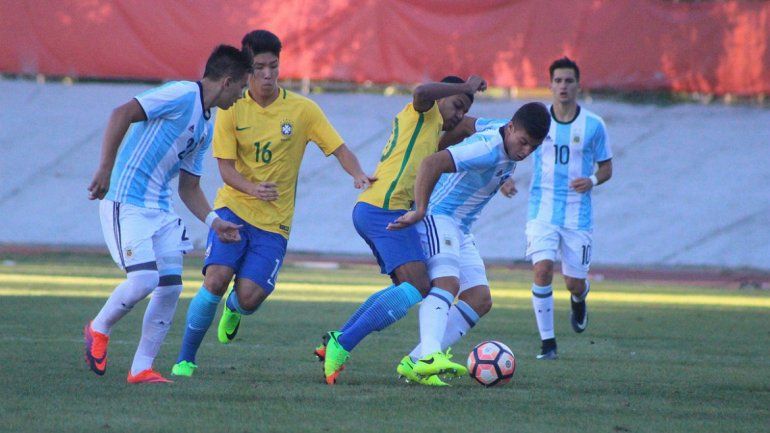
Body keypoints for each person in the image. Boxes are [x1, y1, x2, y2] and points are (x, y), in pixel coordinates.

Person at [170, 30, 374, 377]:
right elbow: (225, 169)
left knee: (249, 298)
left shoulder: (302, 110)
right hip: (233, 208)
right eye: (260, 67)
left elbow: (339, 149)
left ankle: (234, 309)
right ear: (246, 70)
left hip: (274, 222)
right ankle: (185, 359)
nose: (267, 74)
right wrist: (252, 188)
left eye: (273, 66)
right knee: (216, 279)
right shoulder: (232, 109)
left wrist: (358, 174)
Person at [83, 45, 252, 384]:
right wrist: (105, 169)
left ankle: (141, 368)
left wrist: (214, 222)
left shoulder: (205, 128)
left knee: (171, 287)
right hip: (125, 201)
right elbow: (121, 113)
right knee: (144, 280)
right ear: (228, 81)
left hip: (160, 210)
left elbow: (189, 187)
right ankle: (98, 329)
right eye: (242, 88)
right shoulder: (181, 94)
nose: (242, 96)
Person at [319, 75, 487, 385]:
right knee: (419, 286)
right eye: (457, 106)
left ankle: (338, 339)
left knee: (411, 288)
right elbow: (422, 90)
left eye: (464, 110)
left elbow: (465, 129)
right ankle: (342, 344)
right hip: (382, 208)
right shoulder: (423, 110)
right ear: (442, 98)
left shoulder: (434, 129)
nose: (459, 114)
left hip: (385, 210)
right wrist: (463, 87)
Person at [388, 102, 551, 385]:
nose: (525, 152)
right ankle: (429, 357)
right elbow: (431, 163)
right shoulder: (487, 148)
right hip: (438, 216)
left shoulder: (499, 127)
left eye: (532, 148)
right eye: (523, 143)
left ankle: (414, 363)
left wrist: (502, 178)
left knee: (479, 299)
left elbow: (465, 125)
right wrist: (420, 209)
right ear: (511, 128)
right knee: (447, 285)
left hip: (460, 227)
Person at [500, 57, 613, 359]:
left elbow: (606, 168)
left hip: (578, 214)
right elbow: (512, 149)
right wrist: (506, 178)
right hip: (542, 210)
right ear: (549, 84)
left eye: (569, 81)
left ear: (578, 84)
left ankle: (579, 298)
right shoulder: (538, 121)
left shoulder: (593, 125)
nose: (563, 86)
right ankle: (548, 344)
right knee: (542, 269)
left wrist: (590, 180)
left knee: (574, 282)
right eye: (558, 81)